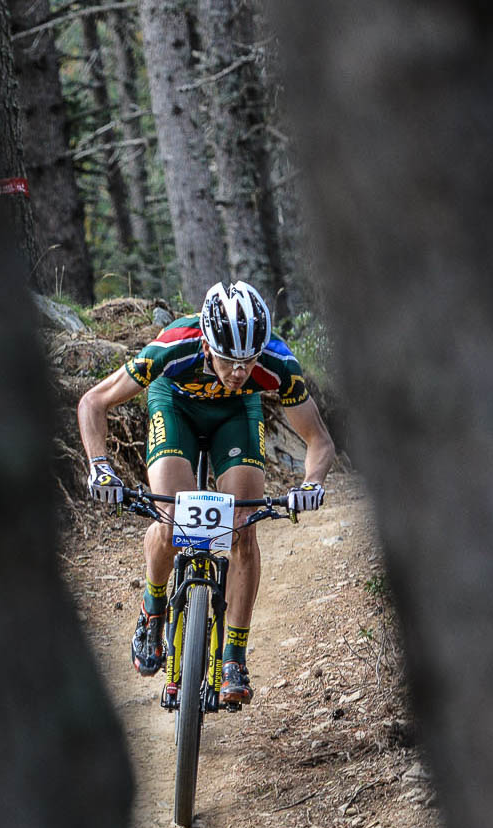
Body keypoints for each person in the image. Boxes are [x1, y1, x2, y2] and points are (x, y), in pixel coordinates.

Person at [76, 282, 338, 706]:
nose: (239, 371)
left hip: (237, 415)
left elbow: (319, 442)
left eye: (248, 361)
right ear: (206, 342)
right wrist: (101, 467)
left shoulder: (276, 363)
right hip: (174, 405)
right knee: (171, 520)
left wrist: (312, 483)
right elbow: (93, 402)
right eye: (229, 360)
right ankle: (153, 609)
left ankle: (233, 654)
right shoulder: (173, 346)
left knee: (241, 532)